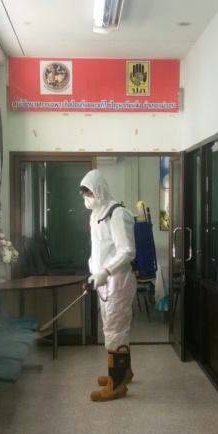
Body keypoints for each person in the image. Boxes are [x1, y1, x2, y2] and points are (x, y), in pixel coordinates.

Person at [80, 169, 137, 402]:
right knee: (112, 328)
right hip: (104, 282)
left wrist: (105, 271)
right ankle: (124, 371)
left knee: (116, 331)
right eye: (84, 193)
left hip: (118, 281)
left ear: (100, 190)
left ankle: (117, 384)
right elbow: (100, 250)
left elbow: (127, 251)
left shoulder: (117, 213)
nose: (87, 197)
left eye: (90, 192)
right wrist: (95, 272)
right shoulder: (97, 214)